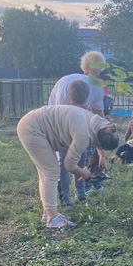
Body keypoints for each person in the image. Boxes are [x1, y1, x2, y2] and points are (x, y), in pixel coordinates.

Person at [17, 105, 118, 230]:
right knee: (51, 172)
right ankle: (53, 218)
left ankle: (47, 212)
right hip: (33, 129)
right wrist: (85, 174)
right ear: (98, 142)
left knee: (45, 173)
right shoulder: (83, 136)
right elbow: (69, 165)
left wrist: (100, 158)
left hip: (33, 122)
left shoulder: (100, 124)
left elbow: (96, 144)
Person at [48, 52, 107, 203]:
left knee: (79, 158)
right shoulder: (70, 85)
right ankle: (66, 196)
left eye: (100, 68)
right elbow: (59, 114)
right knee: (66, 161)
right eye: (95, 68)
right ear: (87, 67)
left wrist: (102, 153)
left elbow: (98, 117)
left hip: (72, 123)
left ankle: (79, 195)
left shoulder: (95, 87)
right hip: (60, 122)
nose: (98, 71)